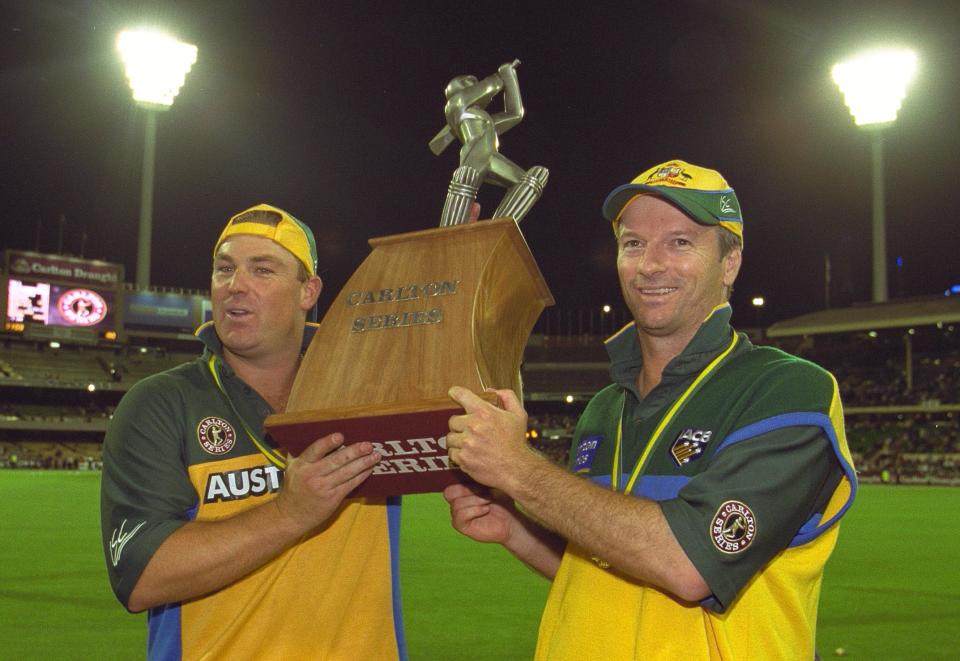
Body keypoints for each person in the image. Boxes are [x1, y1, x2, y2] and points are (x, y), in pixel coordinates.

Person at [444, 160, 858, 659]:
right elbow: (610, 561)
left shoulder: (787, 391)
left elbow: (689, 565)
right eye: (633, 243)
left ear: (730, 263)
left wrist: (519, 471)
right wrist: (515, 528)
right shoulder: (604, 408)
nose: (650, 264)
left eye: (680, 242)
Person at [100, 203, 405, 660]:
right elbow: (141, 576)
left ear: (309, 291)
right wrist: (290, 512)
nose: (235, 285)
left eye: (263, 270)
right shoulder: (161, 403)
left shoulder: (368, 391)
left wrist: (459, 257)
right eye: (224, 269)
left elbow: (463, 371)